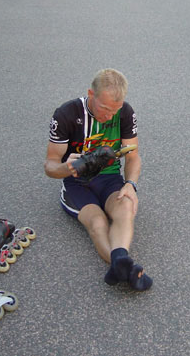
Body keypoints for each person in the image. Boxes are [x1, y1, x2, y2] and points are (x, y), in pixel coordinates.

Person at [44, 68, 152, 290]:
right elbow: (50, 165)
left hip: (109, 179)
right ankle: (123, 266)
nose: (109, 116)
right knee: (98, 221)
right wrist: (66, 167)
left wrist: (131, 185)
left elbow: (133, 156)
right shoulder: (66, 114)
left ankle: (120, 263)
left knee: (126, 207)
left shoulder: (125, 112)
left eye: (115, 111)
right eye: (104, 109)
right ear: (90, 94)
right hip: (76, 183)